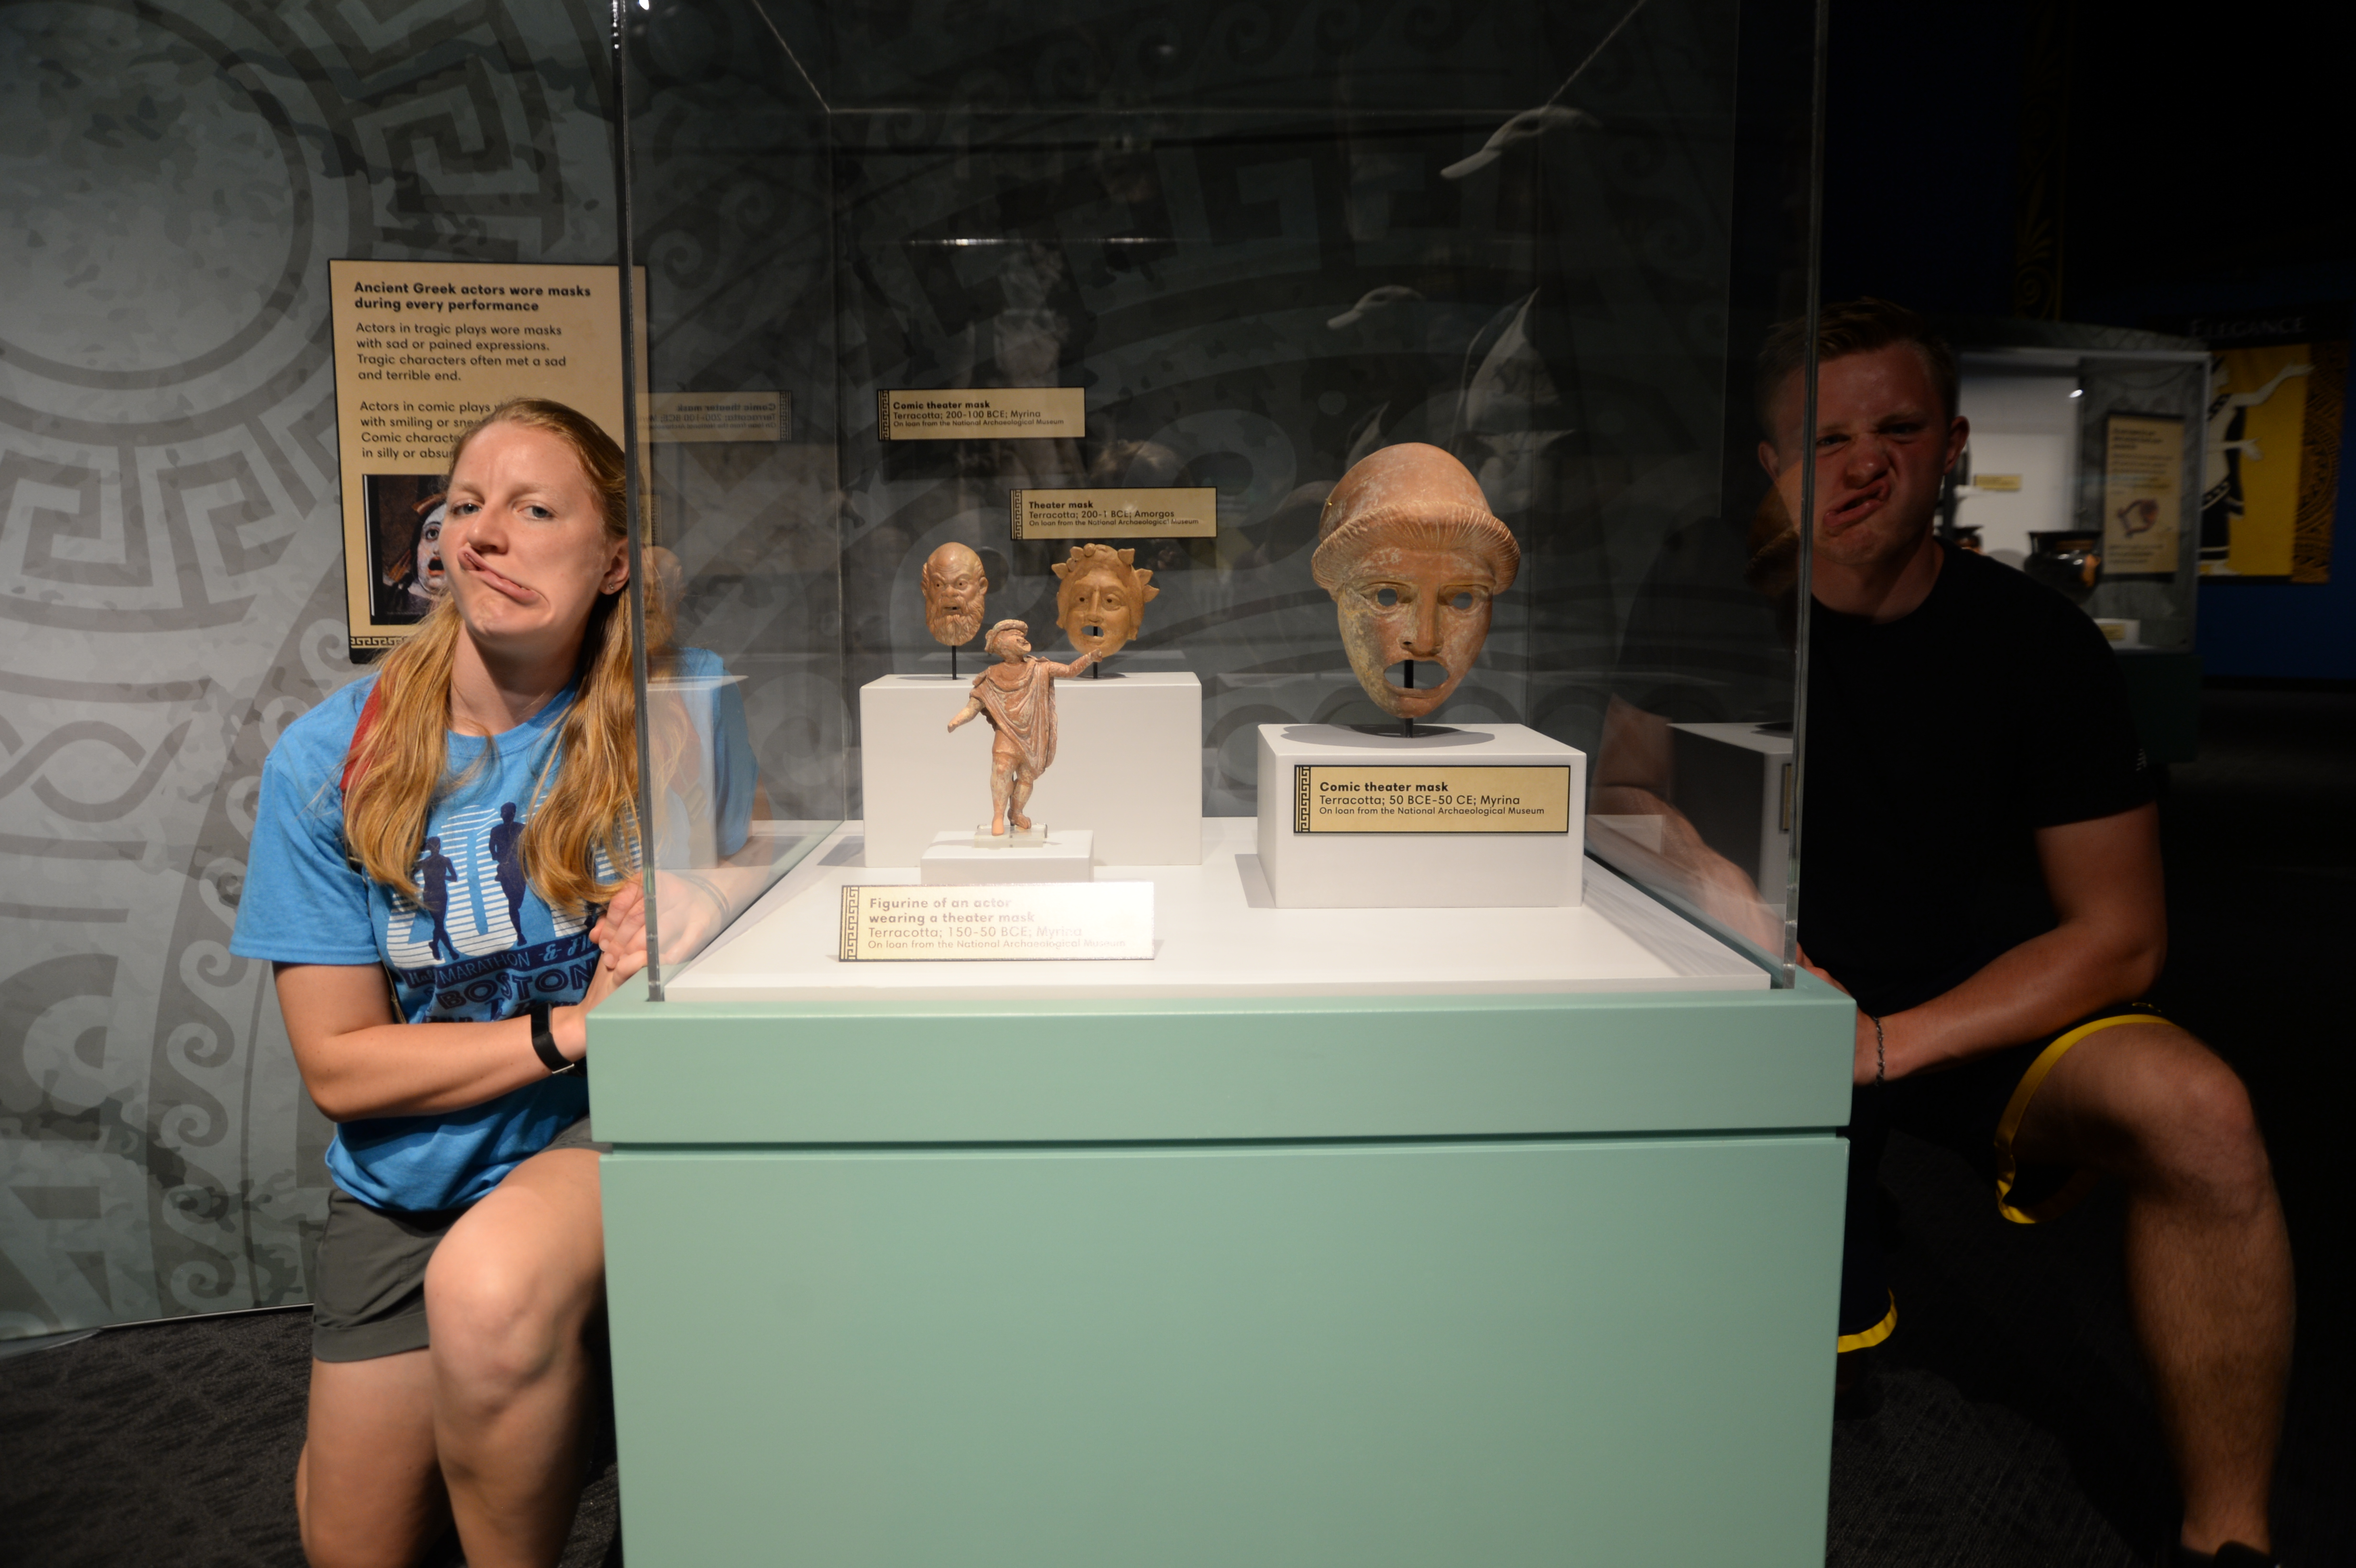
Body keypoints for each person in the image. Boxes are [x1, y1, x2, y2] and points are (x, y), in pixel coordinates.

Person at [1761, 299, 2293, 1567]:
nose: (1863, 463)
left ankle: (2231, 1540)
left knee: (2201, 1115)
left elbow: (2121, 937)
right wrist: (1752, 946)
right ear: (1775, 465)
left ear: (1951, 446)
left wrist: (1888, 1043)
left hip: (1972, 1005)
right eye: (1826, 438)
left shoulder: (2038, 642)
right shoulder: (1717, 616)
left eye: (1897, 429)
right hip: (1776, 991)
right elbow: (1635, 803)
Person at [232, 397, 665, 1568]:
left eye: (536, 509)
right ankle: (540, 1402)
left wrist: (708, 894)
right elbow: (340, 1066)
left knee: (491, 1292)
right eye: (466, 506)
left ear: (614, 560)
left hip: (598, 1135)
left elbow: (750, 870)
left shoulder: (672, 710)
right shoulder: (329, 756)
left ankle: (546, 1395)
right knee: (352, 1545)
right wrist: (564, 1028)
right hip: (411, 1180)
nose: (485, 533)